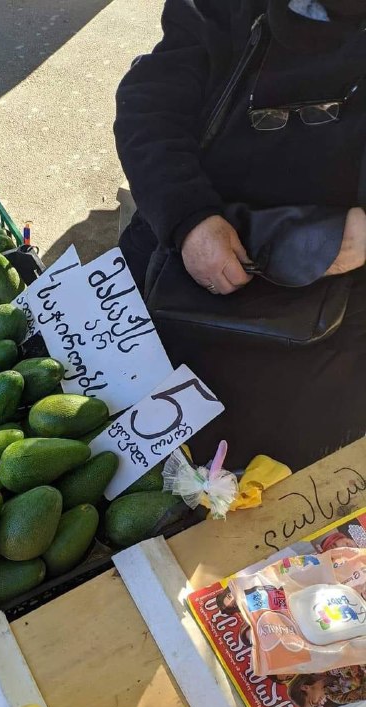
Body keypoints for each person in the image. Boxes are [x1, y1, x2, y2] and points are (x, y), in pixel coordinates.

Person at [114, 0, 366, 471]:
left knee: (258, 499)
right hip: (176, 270)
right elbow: (151, 102)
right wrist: (188, 217)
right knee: (116, 447)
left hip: (328, 333)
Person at [289, 667, 366, 707]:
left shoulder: (318, 663)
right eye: (316, 705)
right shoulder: (338, 697)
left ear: (305, 687)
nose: (319, 704)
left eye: (313, 702)